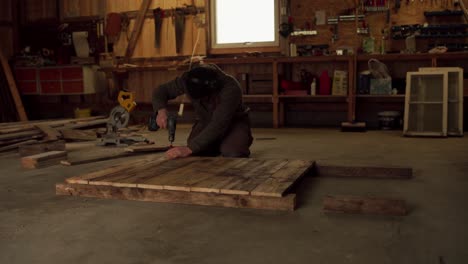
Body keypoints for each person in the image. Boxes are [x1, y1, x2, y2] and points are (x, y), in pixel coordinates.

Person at [152, 63, 253, 160]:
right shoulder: (187, 80)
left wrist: (189, 148)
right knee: (198, 151)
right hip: (205, 121)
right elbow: (161, 91)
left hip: (233, 122)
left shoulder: (231, 88)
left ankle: (240, 138)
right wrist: (161, 110)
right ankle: (217, 144)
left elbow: (219, 123)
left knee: (232, 152)